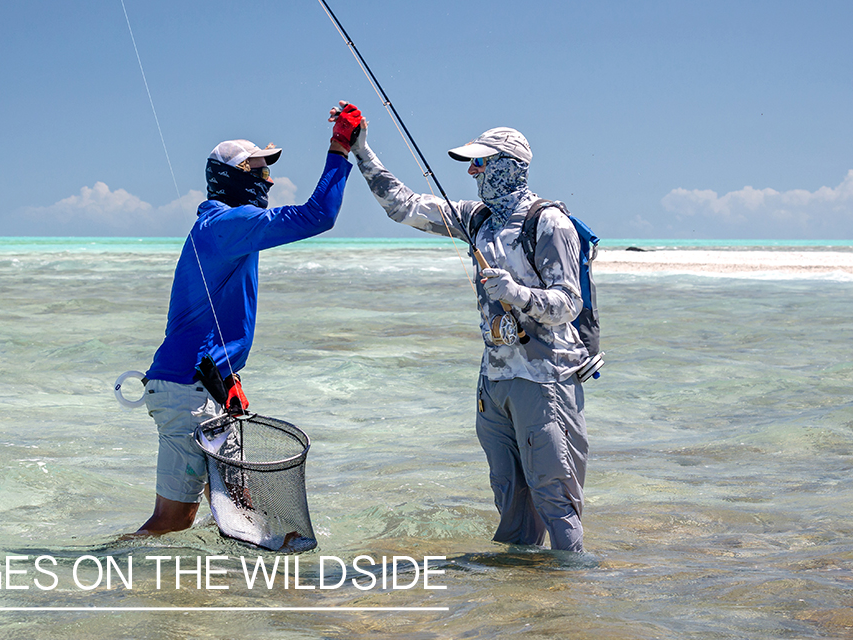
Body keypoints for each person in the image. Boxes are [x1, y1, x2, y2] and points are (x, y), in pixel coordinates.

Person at [348, 112, 590, 552]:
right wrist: (361, 151)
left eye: (481, 163)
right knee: (510, 500)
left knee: (554, 498)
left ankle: (571, 596)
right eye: (471, 163)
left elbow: (569, 304)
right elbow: (403, 205)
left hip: (545, 382)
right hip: (494, 381)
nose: (471, 172)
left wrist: (517, 293)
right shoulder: (476, 219)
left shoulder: (550, 223)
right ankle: (521, 599)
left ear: (509, 165)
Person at [133, 102, 363, 536]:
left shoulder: (227, 226)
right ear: (236, 176)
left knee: (238, 510)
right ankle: (101, 572)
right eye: (260, 170)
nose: (270, 179)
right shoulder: (227, 223)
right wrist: (338, 149)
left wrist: (227, 379)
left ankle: (241, 592)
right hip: (186, 389)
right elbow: (319, 216)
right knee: (174, 520)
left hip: (206, 385)